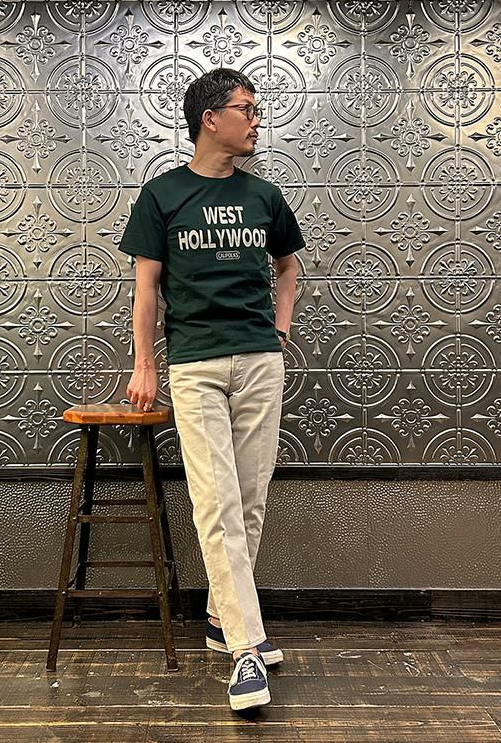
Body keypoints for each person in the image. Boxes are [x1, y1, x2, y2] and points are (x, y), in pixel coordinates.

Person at [119, 68, 304, 712]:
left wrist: (279, 331)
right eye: (246, 109)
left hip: (259, 362)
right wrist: (145, 364)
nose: (256, 120)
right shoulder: (162, 195)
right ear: (211, 119)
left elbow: (289, 265)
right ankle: (246, 651)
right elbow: (146, 289)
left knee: (249, 502)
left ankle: (223, 620)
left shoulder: (265, 196)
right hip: (195, 364)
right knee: (216, 502)